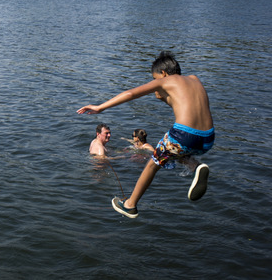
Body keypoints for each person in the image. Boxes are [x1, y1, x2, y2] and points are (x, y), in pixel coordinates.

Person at [77, 51, 214, 218]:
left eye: (155, 78)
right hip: (207, 138)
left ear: (163, 73)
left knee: (153, 162)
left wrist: (100, 107)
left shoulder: (165, 81)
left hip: (184, 134)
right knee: (174, 151)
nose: (156, 82)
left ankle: (130, 204)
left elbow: (131, 93)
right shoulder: (194, 79)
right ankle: (195, 166)